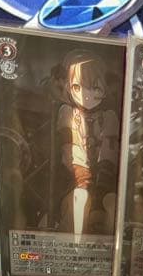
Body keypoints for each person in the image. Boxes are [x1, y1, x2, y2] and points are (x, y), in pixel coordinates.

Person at [49, 51, 119, 235]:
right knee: (80, 198)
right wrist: (82, 177)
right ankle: (74, 246)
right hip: (73, 181)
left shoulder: (109, 116)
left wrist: (103, 180)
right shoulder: (67, 113)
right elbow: (69, 149)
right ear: (68, 87)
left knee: (114, 202)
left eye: (94, 88)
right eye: (77, 87)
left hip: (104, 183)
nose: (86, 94)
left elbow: (109, 150)